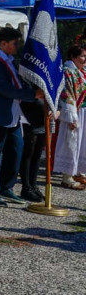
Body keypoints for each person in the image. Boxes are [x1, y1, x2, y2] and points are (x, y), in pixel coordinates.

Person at [0, 27, 42, 206]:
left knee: (16, 150)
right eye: (14, 43)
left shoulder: (9, 60)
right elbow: (3, 88)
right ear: (3, 43)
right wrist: (32, 95)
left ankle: (7, 187)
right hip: (1, 113)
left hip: (14, 114)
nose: (17, 46)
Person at [54, 44, 86, 189]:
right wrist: (72, 117)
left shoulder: (82, 71)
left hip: (84, 112)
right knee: (71, 142)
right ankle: (67, 177)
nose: (85, 59)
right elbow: (66, 95)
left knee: (82, 143)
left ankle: (78, 171)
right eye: (83, 56)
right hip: (74, 112)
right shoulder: (68, 71)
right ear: (73, 57)